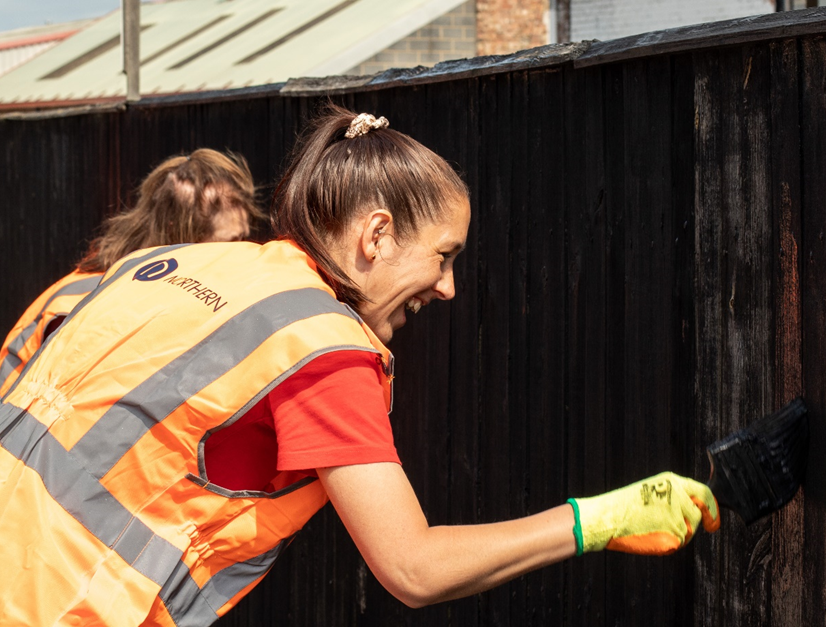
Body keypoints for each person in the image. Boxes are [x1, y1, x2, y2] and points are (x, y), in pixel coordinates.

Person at [0, 106, 720, 626]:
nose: (447, 287)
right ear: (377, 234)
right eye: (444, 255)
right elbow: (413, 567)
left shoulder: (175, 262)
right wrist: (598, 518)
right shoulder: (323, 348)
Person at [0, 148, 263, 398]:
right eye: (229, 243)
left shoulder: (131, 280)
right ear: (181, 236)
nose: (239, 254)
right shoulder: (89, 306)